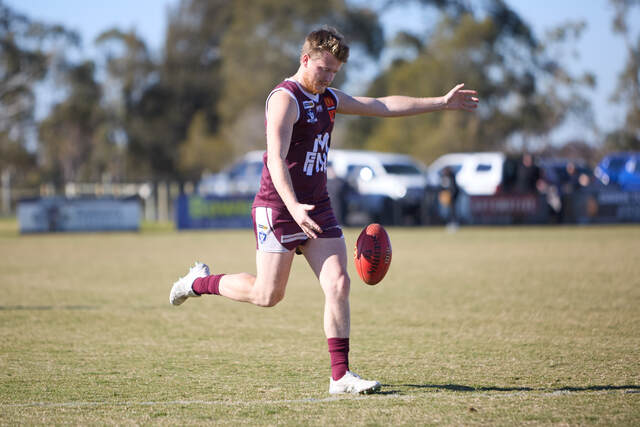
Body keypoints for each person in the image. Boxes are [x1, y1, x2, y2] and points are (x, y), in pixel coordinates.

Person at [169, 27, 479, 395]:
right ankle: (197, 282)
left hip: (318, 207)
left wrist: (440, 102)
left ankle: (340, 376)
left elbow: (380, 106)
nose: (329, 77)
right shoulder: (284, 99)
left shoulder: (328, 98)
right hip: (278, 208)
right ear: (305, 59)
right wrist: (293, 207)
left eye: (335, 72)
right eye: (324, 69)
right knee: (268, 295)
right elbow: (275, 160)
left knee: (339, 283)